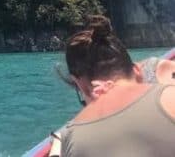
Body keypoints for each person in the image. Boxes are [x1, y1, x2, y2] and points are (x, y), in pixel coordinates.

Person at [48, 15, 175, 157]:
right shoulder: (169, 96)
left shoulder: (75, 140)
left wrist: (62, 140)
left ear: (81, 85)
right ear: (137, 71)